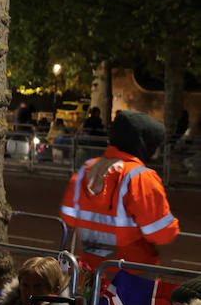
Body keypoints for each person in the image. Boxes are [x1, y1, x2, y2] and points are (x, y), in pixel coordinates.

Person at [60, 109, 178, 271]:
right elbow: (161, 233)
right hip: (131, 274)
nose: (157, 153)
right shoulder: (141, 177)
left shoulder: (87, 168)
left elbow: (69, 217)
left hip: (88, 269)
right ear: (143, 143)